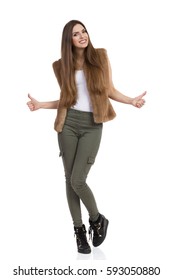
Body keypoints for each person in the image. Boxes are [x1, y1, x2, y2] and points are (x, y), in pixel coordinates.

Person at [27, 19, 146, 254]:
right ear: (68, 40)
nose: (82, 36)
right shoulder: (61, 66)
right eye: (76, 34)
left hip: (92, 125)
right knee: (69, 179)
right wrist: (41, 104)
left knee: (77, 180)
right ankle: (79, 232)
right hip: (68, 124)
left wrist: (131, 100)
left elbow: (109, 89)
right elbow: (66, 99)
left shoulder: (100, 57)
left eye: (84, 31)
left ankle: (96, 219)